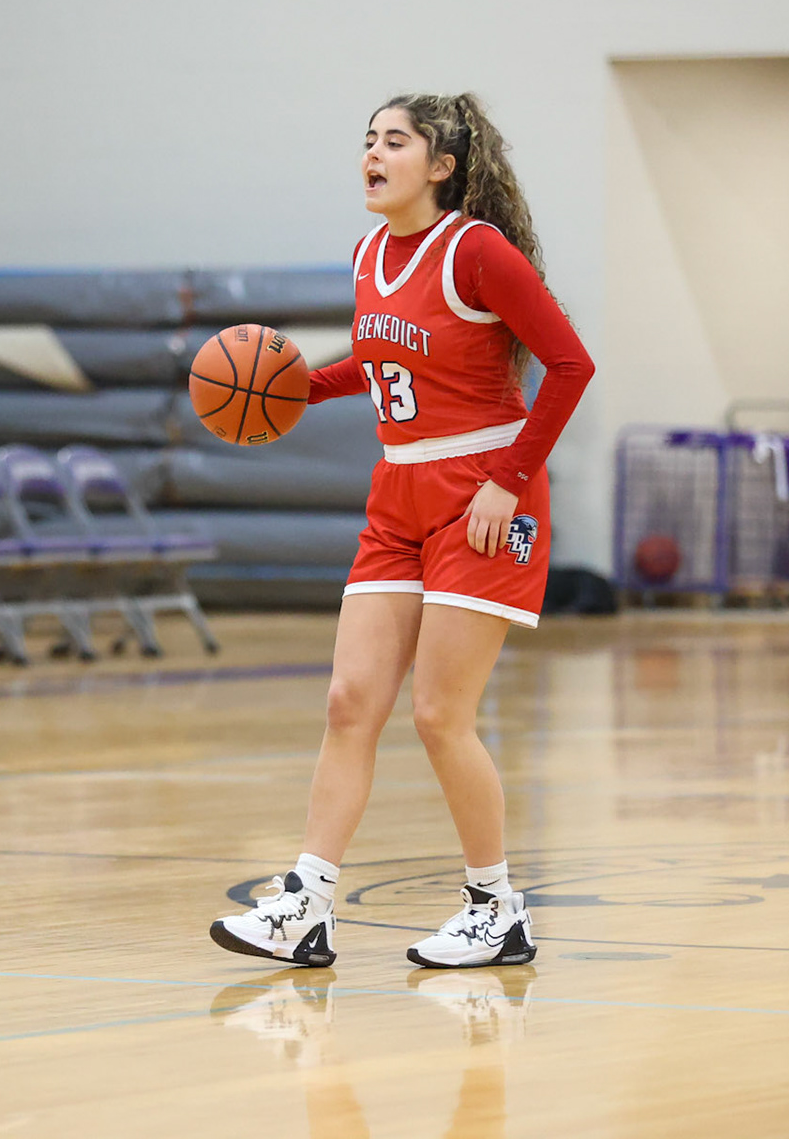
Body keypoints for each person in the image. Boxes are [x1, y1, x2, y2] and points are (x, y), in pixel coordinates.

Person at [209, 93, 593, 969]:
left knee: (438, 715)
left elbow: (570, 365)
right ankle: (305, 906)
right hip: (399, 491)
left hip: (482, 490)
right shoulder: (368, 254)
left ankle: (496, 910)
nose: (373, 156)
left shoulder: (476, 251)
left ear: (441, 166)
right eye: (368, 141)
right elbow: (384, 363)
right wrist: (296, 389)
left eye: (394, 141)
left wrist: (507, 482)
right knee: (349, 703)